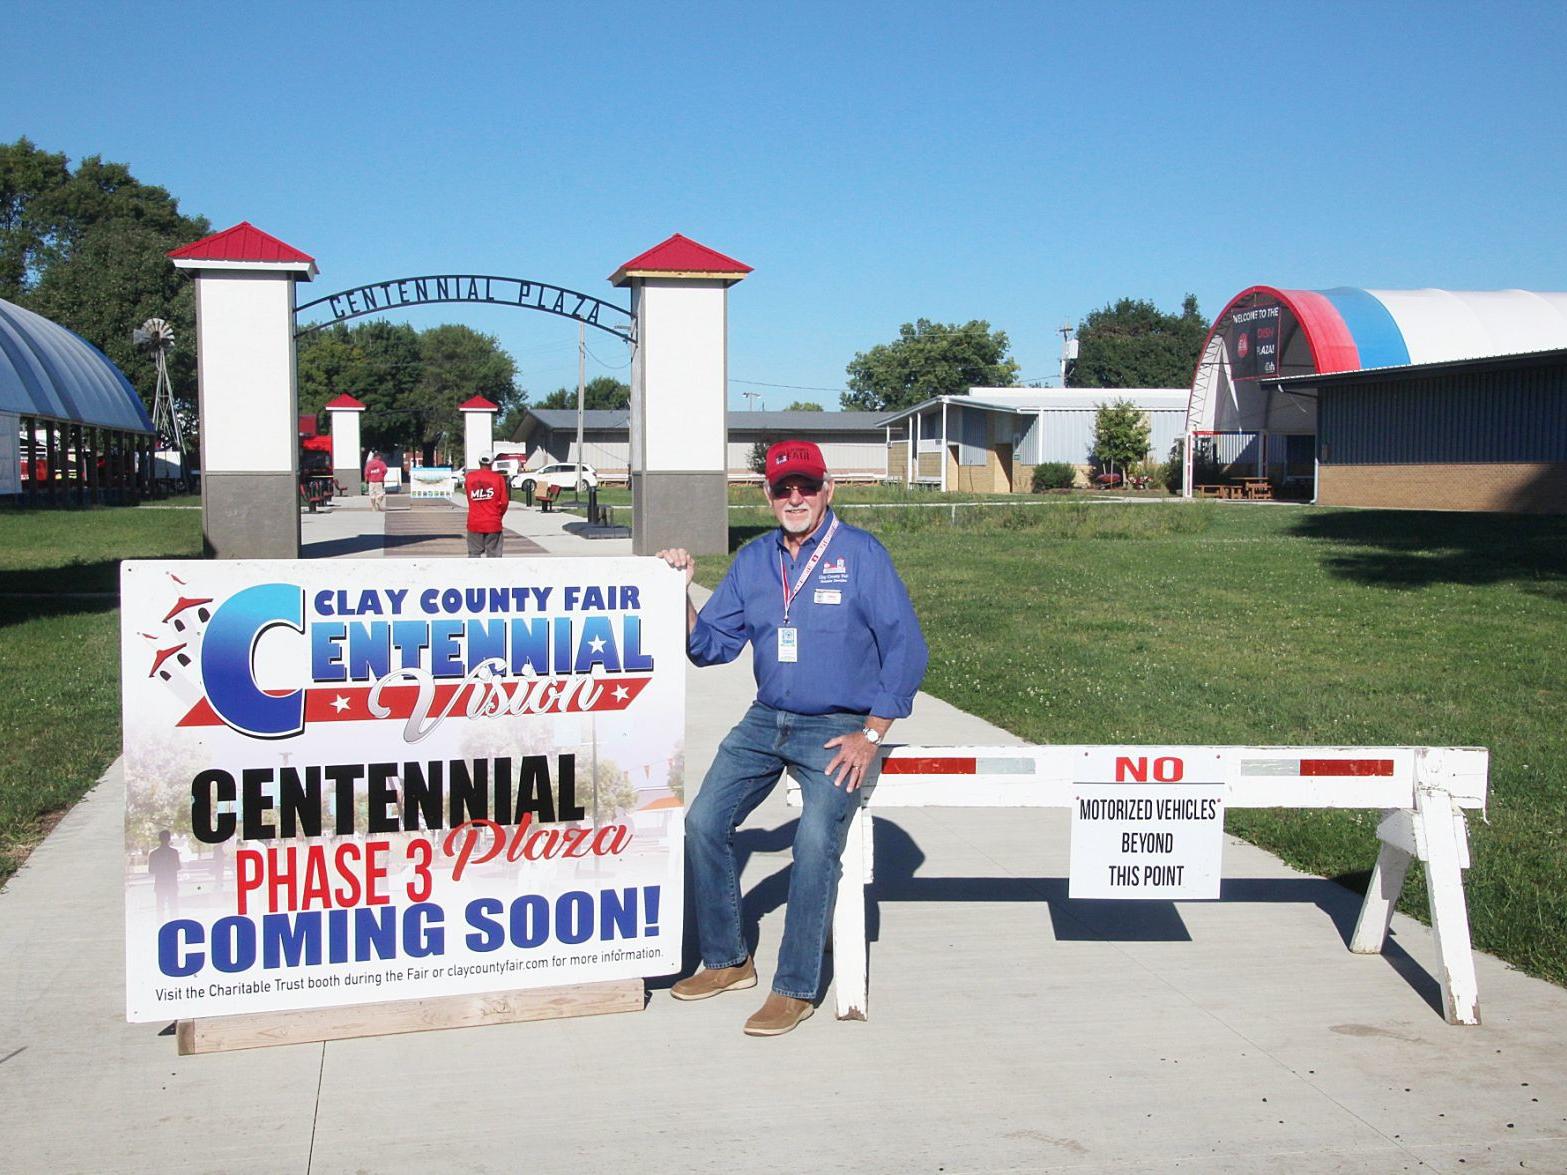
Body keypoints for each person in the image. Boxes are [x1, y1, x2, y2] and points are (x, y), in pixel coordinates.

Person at [657, 439, 928, 1036]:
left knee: (812, 842)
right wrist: (678, 591)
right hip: (765, 720)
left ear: (828, 490)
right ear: (768, 495)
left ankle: (796, 987)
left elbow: (906, 649)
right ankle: (728, 959)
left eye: (807, 486)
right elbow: (709, 647)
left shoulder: (861, 555)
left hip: (838, 729)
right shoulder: (755, 561)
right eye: (784, 488)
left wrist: (871, 734)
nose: (796, 498)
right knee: (703, 823)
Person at [464, 453, 510, 557]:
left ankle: (475, 573)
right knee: (494, 555)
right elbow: (504, 502)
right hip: (493, 522)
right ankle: (493, 573)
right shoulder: (498, 478)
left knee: (474, 555)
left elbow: (469, 498)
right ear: (492, 463)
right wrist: (498, 515)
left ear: (479, 462)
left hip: (474, 522)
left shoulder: (469, 477)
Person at [149, 829, 181, 917]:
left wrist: (161, 869)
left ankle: (160, 924)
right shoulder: (174, 853)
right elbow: (178, 867)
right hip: (172, 883)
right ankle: (174, 925)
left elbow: (151, 870)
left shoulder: (153, 854)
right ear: (169, 839)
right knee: (173, 906)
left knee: (160, 907)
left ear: (159, 839)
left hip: (160, 883)